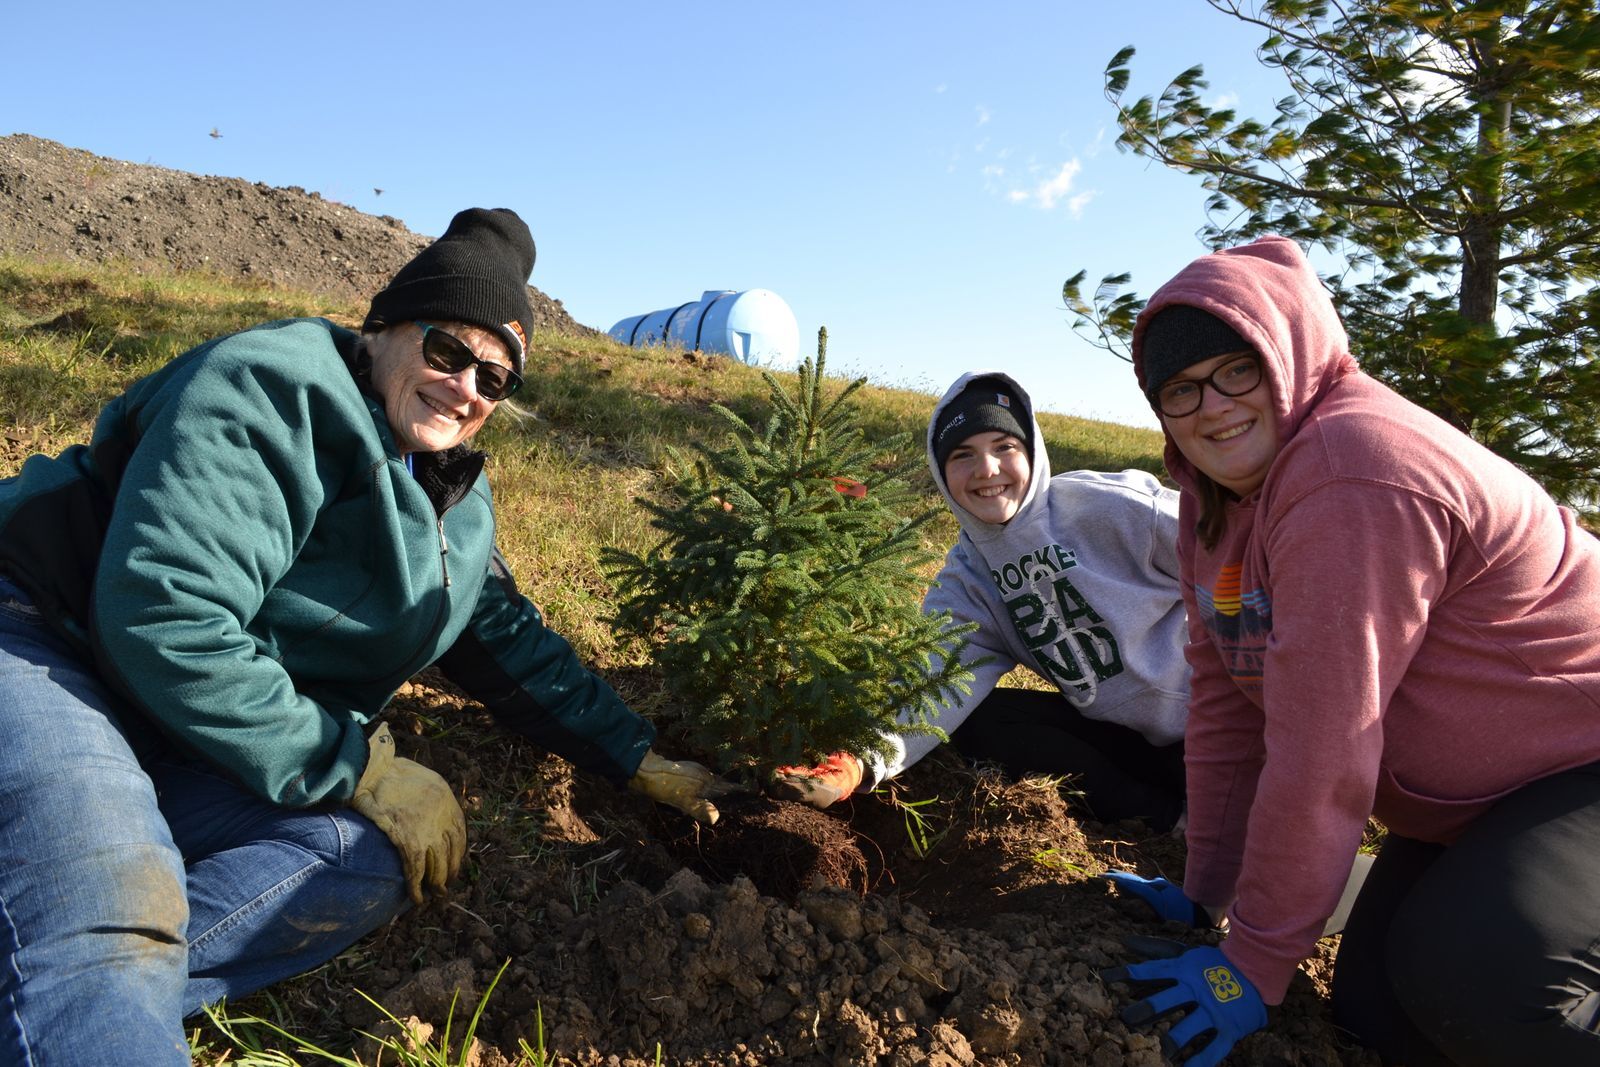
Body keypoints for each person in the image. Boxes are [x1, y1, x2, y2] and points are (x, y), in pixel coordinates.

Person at [0, 207, 732, 1066]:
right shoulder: (275, 390)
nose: (466, 387)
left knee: (363, 857)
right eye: (449, 351)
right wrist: (359, 764)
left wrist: (634, 756)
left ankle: (70, 973)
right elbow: (166, 618)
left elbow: (498, 635)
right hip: (50, 646)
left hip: (179, 723)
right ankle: (84, 962)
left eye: (495, 380)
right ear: (382, 329)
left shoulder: (451, 494)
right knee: (113, 914)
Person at [1102, 235, 1600, 1067]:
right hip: (1483, 802)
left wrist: (1253, 963)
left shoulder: (1349, 472)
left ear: (1289, 354)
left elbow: (1321, 748)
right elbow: (1228, 709)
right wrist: (1203, 895)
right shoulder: (1215, 503)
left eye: (1239, 369)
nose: (1213, 407)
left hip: (1580, 769)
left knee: (1479, 987)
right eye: (1181, 392)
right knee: (1376, 1015)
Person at [772, 370, 1191, 831]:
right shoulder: (968, 581)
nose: (987, 469)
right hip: (1131, 740)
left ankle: (1222, 806)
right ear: (940, 469)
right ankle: (1170, 819)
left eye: (1004, 447)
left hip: (1236, 727)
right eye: (963, 455)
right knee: (978, 723)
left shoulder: (1114, 509)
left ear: (1031, 451)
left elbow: (1242, 553)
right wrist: (860, 762)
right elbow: (935, 683)